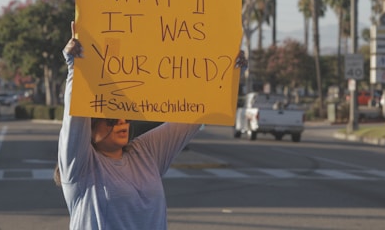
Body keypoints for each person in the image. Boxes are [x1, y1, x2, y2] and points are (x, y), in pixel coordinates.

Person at [56, 21, 245, 229]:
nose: (121, 121)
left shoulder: (145, 153)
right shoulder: (81, 168)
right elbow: (73, 118)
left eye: (123, 114)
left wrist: (230, 72)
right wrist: (76, 69)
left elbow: (195, 115)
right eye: (110, 118)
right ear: (88, 129)